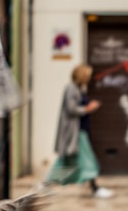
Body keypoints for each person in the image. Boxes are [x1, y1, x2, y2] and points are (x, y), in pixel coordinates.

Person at [46, 64, 113, 198]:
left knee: (67, 162)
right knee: (88, 161)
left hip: (81, 130)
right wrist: (88, 108)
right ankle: (95, 188)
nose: (89, 78)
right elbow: (71, 109)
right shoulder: (71, 89)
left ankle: (46, 184)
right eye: (88, 75)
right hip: (76, 133)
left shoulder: (78, 89)